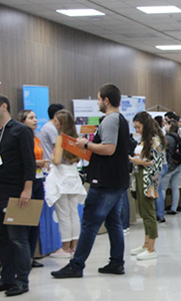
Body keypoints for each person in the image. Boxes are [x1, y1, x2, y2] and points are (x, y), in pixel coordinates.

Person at [51, 83, 130, 278]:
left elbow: (109, 148)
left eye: (98, 99)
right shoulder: (119, 119)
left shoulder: (110, 120)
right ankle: (116, 262)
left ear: (106, 100)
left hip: (105, 181)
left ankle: (76, 265)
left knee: (89, 223)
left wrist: (86, 144)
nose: (97, 102)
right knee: (113, 222)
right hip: (116, 180)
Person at [0, 94, 36, 297]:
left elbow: (29, 162)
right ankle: (7, 278)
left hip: (16, 192)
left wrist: (27, 189)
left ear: (4, 106)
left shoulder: (21, 131)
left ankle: (22, 280)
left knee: (17, 238)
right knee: (1, 237)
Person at [45, 110, 86, 258]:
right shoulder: (76, 139)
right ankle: (74, 245)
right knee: (73, 213)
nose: (54, 123)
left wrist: (51, 155)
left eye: (56, 121)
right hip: (73, 177)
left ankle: (65, 246)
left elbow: (56, 160)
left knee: (63, 214)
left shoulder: (60, 139)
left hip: (61, 178)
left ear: (60, 123)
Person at [129, 112, 166, 260]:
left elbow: (156, 164)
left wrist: (139, 162)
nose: (137, 130)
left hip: (148, 179)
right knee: (143, 212)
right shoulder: (144, 140)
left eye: (138, 127)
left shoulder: (155, 140)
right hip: (139, 177)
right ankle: (146, 243)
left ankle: (151, 248)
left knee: (149, 213)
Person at [17, 109, 49, 268]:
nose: (35, 120)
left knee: (35, 219)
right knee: (26, 221)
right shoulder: (21, 137)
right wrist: (39, 163)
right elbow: (24, 160)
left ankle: (30, 256)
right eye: (30, 118)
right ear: (22, 121)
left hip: (38, 179)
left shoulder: (35, 138)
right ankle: (23, 258)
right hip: (27, 181)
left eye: (36, 117)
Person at [160, 120, 181, 215]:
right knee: (175, 188)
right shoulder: (178, 137)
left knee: (162, 188)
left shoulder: (167, 138)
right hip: (178, 165)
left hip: (170, 166)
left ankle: (160, 209)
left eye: (166, 125)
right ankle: (174, 208)